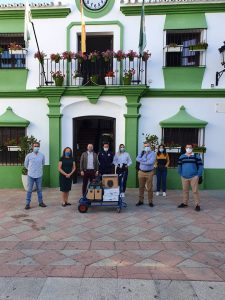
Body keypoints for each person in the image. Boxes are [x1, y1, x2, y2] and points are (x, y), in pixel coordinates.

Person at [177, 144, 203, 211]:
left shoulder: (196, 156)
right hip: (184, 177)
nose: (188, 149)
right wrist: (180, 173)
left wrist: (198, 175)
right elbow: (179, 166)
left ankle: (197, 205)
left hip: (194, 177)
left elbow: (200, 166)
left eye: (190, 147)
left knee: (195, 191)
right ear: (185, 148)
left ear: (192, 148)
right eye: (187, 147)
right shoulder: (182, 156)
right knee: (185, 191)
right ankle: (185, 203)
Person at [24, 142, 46, 210]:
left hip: (39, 175)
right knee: (29, 190)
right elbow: (26, 164)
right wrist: (31, 170)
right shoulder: (29, 155)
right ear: (32, 147)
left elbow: (43, 164)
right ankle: (27, 204)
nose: (36, 147)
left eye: (37, 146)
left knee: (39, 189)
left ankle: (41, 202)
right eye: (35, 146)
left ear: (39, 147)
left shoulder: (42, 155)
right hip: (31, 175)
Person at [136, 141, 156, 207]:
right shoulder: (141, 152)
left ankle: (150, 201)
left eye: (147, 146)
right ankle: (140, 201)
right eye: (145, 146)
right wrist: (145, 160)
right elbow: (137, 159)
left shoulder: (153, 153)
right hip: (141, 172)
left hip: (149, 172)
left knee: (149, 188)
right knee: (141, 187)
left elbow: (151, 162)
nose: (146, 147)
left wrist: (142, 161)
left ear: (150, 146)